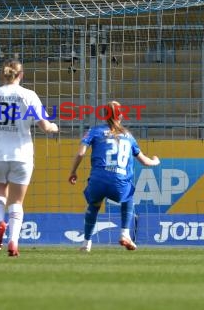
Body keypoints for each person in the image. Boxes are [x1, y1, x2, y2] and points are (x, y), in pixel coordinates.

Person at [0, 58, 58, 257]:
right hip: (21, 154)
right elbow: (45, 126)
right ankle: (13, 241)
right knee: (16, 202)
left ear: (3, 74)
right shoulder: (29, 96)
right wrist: (54, 127)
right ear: (21, 75)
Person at [68, 100, 160, 252]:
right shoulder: (128, 136)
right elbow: (144, 161)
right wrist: (155, 161)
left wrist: (73, 171)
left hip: (98, 181)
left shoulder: (94, 131)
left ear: (104, 115)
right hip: (119, 182)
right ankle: (125, 233)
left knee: (94, 204)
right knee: (129, 196)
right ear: (121, 116)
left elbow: (81, 153)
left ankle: (86, 243)